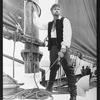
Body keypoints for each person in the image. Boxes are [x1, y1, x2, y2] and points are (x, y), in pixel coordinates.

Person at [33, 4, 77, 100]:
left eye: (58, 9)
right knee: (53, 68)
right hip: (53, 48)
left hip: (62, 46)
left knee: (68, 69)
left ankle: (73, 94)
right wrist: (34, 14)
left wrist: (63, 48)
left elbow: (67, 34)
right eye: (54, 9)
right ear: (51, 12)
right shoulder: (49, 24)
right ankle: (49, 88)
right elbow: (38, 24)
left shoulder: (65, 21)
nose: (56, 10)